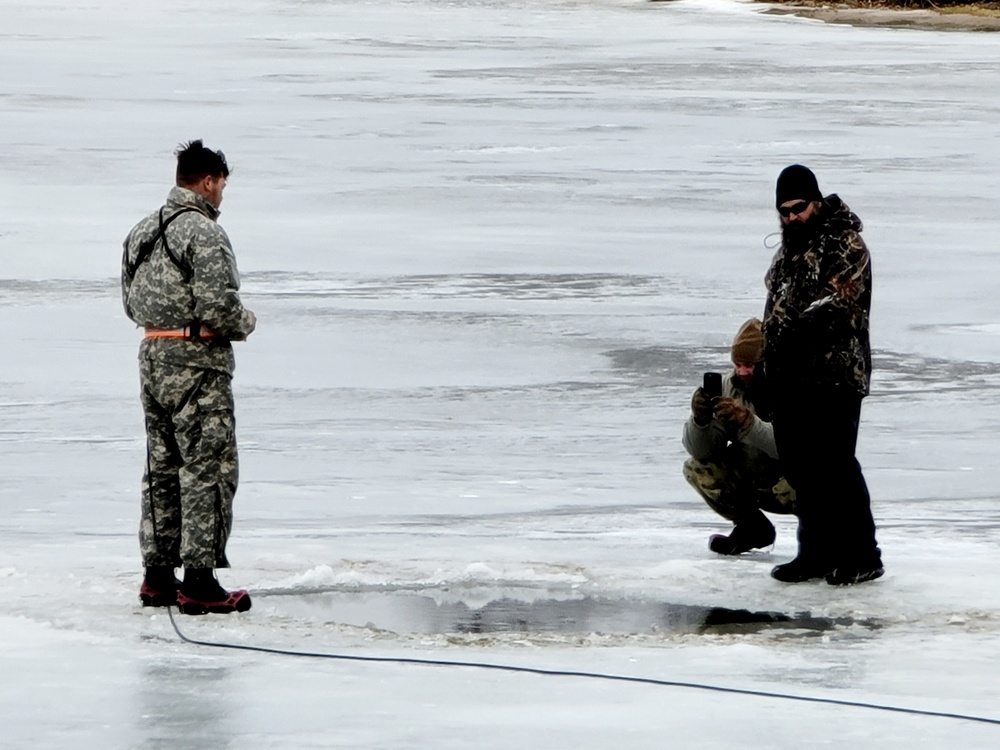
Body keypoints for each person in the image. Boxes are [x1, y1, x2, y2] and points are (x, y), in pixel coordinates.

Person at [121, 140, 257, 614]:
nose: (221, 195)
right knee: (207, 464)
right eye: (221, 185)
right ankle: (199, 580)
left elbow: (128, 302)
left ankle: (158, 576)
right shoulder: (203, 232)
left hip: (152, 354)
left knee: (161, 466)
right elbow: (218, 306)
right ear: (208, 181)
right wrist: (247, 322)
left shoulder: (142, 231)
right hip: (197, 362)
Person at [762, 164, 883, 585]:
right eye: (783, 211)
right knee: (800, 468)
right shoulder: (786, 254)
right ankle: (815, 553)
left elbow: (836, 304)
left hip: (835, 375)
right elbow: (772, 315)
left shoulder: (846, 244)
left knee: (834, 466)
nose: (791, 217)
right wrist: (765, 364)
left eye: (797, 208)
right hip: (790, 379)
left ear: (816, 202)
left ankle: (863, 554)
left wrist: (790, 334)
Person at [682, 319, 797, 555]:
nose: (742, 372)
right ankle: (751, 527)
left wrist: (747, 422)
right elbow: (703, 452)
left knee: (816, 480)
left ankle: (823, 539)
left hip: (795, 478)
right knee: (697, 467)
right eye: (738, 364)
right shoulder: (729, 386)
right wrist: (700, 421)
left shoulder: (793, 388)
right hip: (756, 475)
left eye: (750, 365)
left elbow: (792, 447)